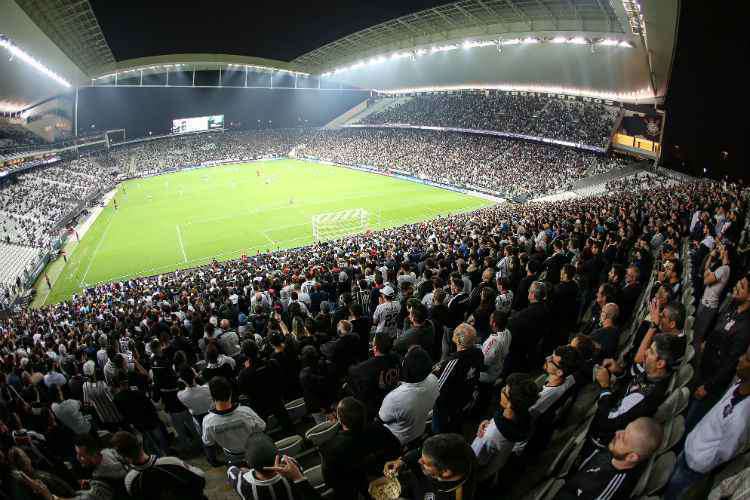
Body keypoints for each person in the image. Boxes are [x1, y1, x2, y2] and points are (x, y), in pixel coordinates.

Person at [663, 347, 750, 500]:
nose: (740, 359)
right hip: (692, 446)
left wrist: (702, 459)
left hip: (696, 463)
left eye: (747, 359)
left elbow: (726, 452)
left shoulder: (742, 417)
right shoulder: (739, 387)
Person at [557, 417, 663, 500]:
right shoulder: (615, 452)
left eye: (624, 439)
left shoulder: (612, 486)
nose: (617, 433)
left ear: (632, 457)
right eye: (624, 430)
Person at [320, 397, 401, 500]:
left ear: (339, 419)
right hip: (382, 475)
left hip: (355, 486)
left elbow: (331, 481)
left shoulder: (330, 448)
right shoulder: (378, 429)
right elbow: (396, 448)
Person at [470, 373, 539, 482]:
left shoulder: (491, 436)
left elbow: (475, 464)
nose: (502, 390)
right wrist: (489, 422)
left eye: (504, 391)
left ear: (510, 404)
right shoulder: (523, 415)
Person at [21, 433, 129, 500]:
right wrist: (90, 482)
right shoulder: (108, 452)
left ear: (93, 454)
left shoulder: (100, 487)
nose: (78, 458)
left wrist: (46, 493)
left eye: (81, 455)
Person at [112, 430, 207, 500]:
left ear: (122, 456)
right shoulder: (170, 461)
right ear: (140, 444)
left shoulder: (130, 480)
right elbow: (200, 478)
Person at [227, 433, 322, 500]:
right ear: (277, 456)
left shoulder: (241, 483)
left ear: (248, 462)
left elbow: (231, 466)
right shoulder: (291, 464)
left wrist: (247, 468)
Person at [384, 433, 478, 500]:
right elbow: (424, 452)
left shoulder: (457, 496)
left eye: (425, 463)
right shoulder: (460, 448)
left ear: (446, 472)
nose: (419, 461)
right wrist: (403, 460)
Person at [378, 346, 439, 448]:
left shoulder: (395, 398)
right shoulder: (434, 380)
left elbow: (383, 417)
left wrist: (385, 391)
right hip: (419, 429)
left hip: (398, 437)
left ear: (406, 370)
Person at [432, 323, 484, 434]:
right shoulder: (479, 353)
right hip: (465, 398)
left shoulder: (452, 362)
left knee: (440, 431)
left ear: (459, 341)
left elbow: (437, 387)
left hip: (447, 406)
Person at [201, 376, 266, 465]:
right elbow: (262, 427)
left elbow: (208, 443)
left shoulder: (207, 421)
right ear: (230, 392)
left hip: (232, 456)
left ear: (212, 396)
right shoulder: (246, 411)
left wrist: (213, 460)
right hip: (254, 450)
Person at [347, 333, 401, 417]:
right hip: (393, 396)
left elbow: (352, 371)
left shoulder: (366, 367)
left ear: (375, 347)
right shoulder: (397, 358)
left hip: (374, 406)